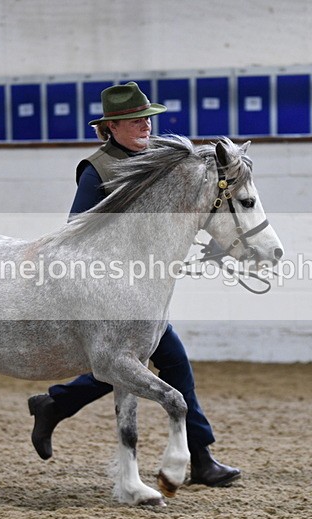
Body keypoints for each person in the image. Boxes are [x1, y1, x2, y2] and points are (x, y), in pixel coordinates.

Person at [28, 82, 241, 487]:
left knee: (165, 364)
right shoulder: (97, 169)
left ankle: (56, 405)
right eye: (134, 119)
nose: (145, 124)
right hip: (105, 294)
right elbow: (75, 231)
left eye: (147, 117)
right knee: (137, 365)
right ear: (110, 126)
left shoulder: (160, 158)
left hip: (142, 292)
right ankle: (201, 457)